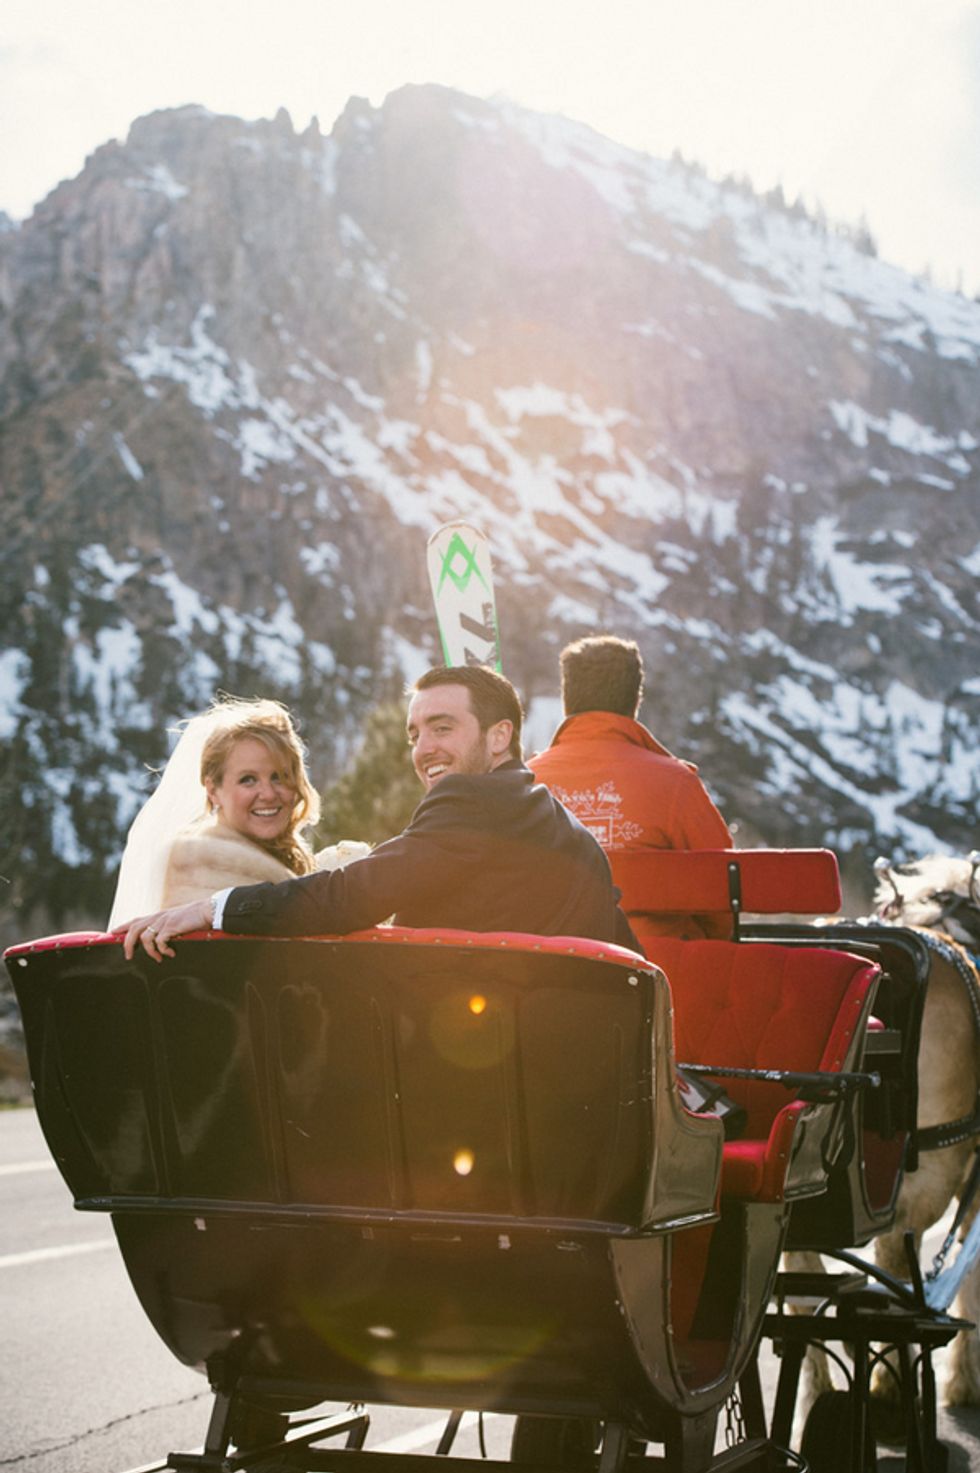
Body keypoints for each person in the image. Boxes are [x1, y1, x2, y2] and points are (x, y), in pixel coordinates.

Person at [117, 665, 641, 959]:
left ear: (500, 735)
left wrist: (214, 909)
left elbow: (350, 896)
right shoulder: (562, 825)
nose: (423, 749)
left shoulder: (470, 805)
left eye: (442, 727)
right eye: (414, 734)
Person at [529, 635, 732, 939]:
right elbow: (723, 895)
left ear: (566, 700)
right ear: (635, 700)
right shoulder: (676, 783)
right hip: (661, 977)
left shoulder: (526, 781)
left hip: (550, 970)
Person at [108, 696, 368, 929]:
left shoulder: (277, 860)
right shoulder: (200, 864)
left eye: (279, 777)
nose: (267, 793)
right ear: (213, 790)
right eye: (248, 780)